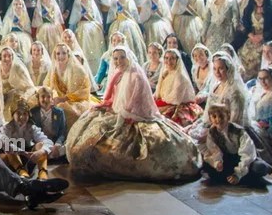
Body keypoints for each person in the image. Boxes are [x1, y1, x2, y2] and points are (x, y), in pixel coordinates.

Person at [67, 47, 201, 182]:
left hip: (136, 116)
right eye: (115, 58)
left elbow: (134, 104)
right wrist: (107, 106)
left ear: (129, 58)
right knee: (90, 123)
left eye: (122, 57)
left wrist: (121, 117)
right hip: (120, 112)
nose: (119, 61)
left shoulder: (136, 75)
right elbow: (114, 98)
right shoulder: (119, 74)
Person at [199, 104, 272, 187]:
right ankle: (241, 178)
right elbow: (214, 150)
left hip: (243, 159)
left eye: (221, 116)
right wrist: (217, 162)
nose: (218, 119)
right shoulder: (212, 132)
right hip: (228, 159)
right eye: (214, 117)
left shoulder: (239, 131)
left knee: (260, 167)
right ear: (210, 119)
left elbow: (247, 154)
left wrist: (238, 174)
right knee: (206, 166)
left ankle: (239, 177)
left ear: (228, 116)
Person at [156, 48, 203, 127]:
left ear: (177, 60)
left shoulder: (179, 76)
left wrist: (158, 102)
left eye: (172, 58)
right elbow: (158, 91)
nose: (169, 61)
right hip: (166, 101)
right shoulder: (166, 73)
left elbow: (175, 98)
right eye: (166, 58)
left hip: (178, 105)